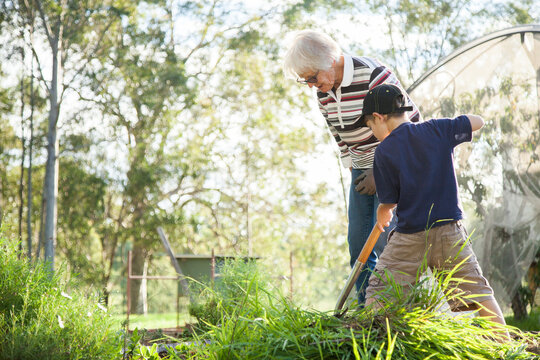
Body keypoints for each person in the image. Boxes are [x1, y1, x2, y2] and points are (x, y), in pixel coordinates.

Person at [283, 30, 422, 304]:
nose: (311, 85)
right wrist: (352, 164)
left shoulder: (373, 75)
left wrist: (380, 169)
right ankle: (366, 308)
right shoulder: (323, 93)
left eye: (313, 77)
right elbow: (338, 134)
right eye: (305, 81)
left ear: (330, 60)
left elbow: (412, 123)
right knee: (358, 243)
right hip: (361, 170)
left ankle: (397, 308)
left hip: (391, 166)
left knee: (386, 241)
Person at [362, 83, 508, 338]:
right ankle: (507, 348)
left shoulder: (384, 151)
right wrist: (448, 126)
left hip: (409, 238)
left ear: (379, 117)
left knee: (380, 292)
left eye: (371, 127)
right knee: (478, 292)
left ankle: (374, 346)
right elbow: (478, 122)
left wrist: (382, 214)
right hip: (450, 232)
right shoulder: (436, 129)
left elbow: (389, 203)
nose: (373, 133)